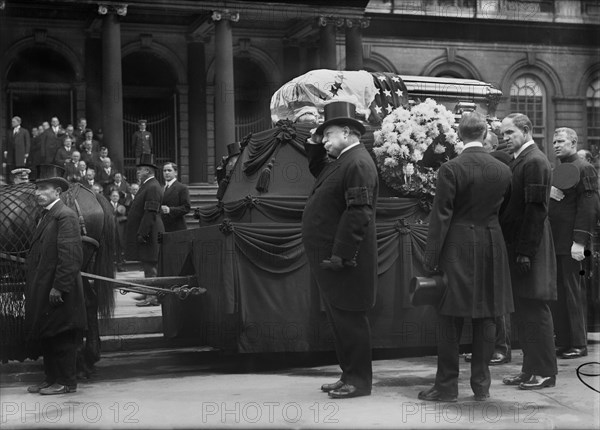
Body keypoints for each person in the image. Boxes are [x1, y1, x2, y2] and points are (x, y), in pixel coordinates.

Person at [418, 112, 513, 403]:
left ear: (459, 136)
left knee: (449, 317)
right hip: (492, 244)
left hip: (457, 247)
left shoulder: (450, 168)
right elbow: (504, 211)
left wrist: (431, 258)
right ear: (485, 135)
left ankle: (446, 386)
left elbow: (441, 217)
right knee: (487, 315)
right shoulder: (503, 170)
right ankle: (481, 386)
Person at [302, 101, 378, 399]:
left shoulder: (358, 163)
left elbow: (358, 212)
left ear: (347, 132)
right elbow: (319, 170)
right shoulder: (343, 161)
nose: (323, 140)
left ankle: (359, 382)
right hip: (335, 260)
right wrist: (313, 144)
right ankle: (348, 374)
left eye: (328, 134)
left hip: (346, 261)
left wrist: (342, 255)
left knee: (351, 321)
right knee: (340, 321)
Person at [500, 113, 558, 390]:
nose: (505, 138)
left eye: (510, 133)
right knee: (525, 309)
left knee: (535, 307)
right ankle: (529, 369)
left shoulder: (534, 161)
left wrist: (524, 251)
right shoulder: (523, 160)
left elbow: (536, 210)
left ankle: (545, 372)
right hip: (523, 244)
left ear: (526, 130)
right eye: (503, 134)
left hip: (530, 244)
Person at [25, 164, 85, 395]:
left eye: (43, 188)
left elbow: (70, 257)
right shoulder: (47, 215)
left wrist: (59, 287)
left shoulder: (65, 216)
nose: (37, 193)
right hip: (46, 288)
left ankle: (66, 382)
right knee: (49, 335)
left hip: (61, 290)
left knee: (62, 337)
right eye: (37, 188)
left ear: (57, 192)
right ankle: (50, 378)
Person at [464, 130, 513, 367]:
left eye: (484, 144)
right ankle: (487, 348)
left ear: (492, 146)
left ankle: (501, 347)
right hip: (487, 235)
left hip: (496, 234)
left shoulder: (500, 164)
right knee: (487, 298)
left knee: (496, 298)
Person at [549, 127, 598, 359]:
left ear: (574, 143)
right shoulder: (561, 169)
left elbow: (589, 207)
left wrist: (580, 241)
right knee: (561, 292)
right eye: (554, 142)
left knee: (574, 292)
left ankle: (579, 343)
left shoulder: (585, 168)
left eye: (561, 141)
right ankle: (566, 341)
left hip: (573, 244)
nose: (556, 145)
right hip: (558, 242)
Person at [125, 154, 164, 307]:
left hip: (150, 231)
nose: (137, 172)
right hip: (149, 230)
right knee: (147, 263)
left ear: (147, 171)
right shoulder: (148, 185)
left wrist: (143, 232)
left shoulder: (152, 186)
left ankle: (152, 297)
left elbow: (150, 212)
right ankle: (148, 291)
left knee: (151, 264)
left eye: (140, 170)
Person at [160, 162, 191, 232]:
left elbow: (186, 207)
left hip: (176, 228)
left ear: (176, 172)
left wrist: (170, 210)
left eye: (169, 170)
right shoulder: (161, 188)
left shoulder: (182, 188)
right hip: (163, 227)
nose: (166, 173)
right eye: (164, 171)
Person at [109, 190, 128, 271]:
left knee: (119, 249)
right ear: (110, 197)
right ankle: (110, 267)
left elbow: (126, 217)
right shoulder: (106, 205)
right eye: (113, 196)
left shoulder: (122, 206)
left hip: (119, 231)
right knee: (110, 248)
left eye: (116, 196)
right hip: (110, 230)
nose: (115, 197)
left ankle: (120, 266)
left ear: (119, 197)